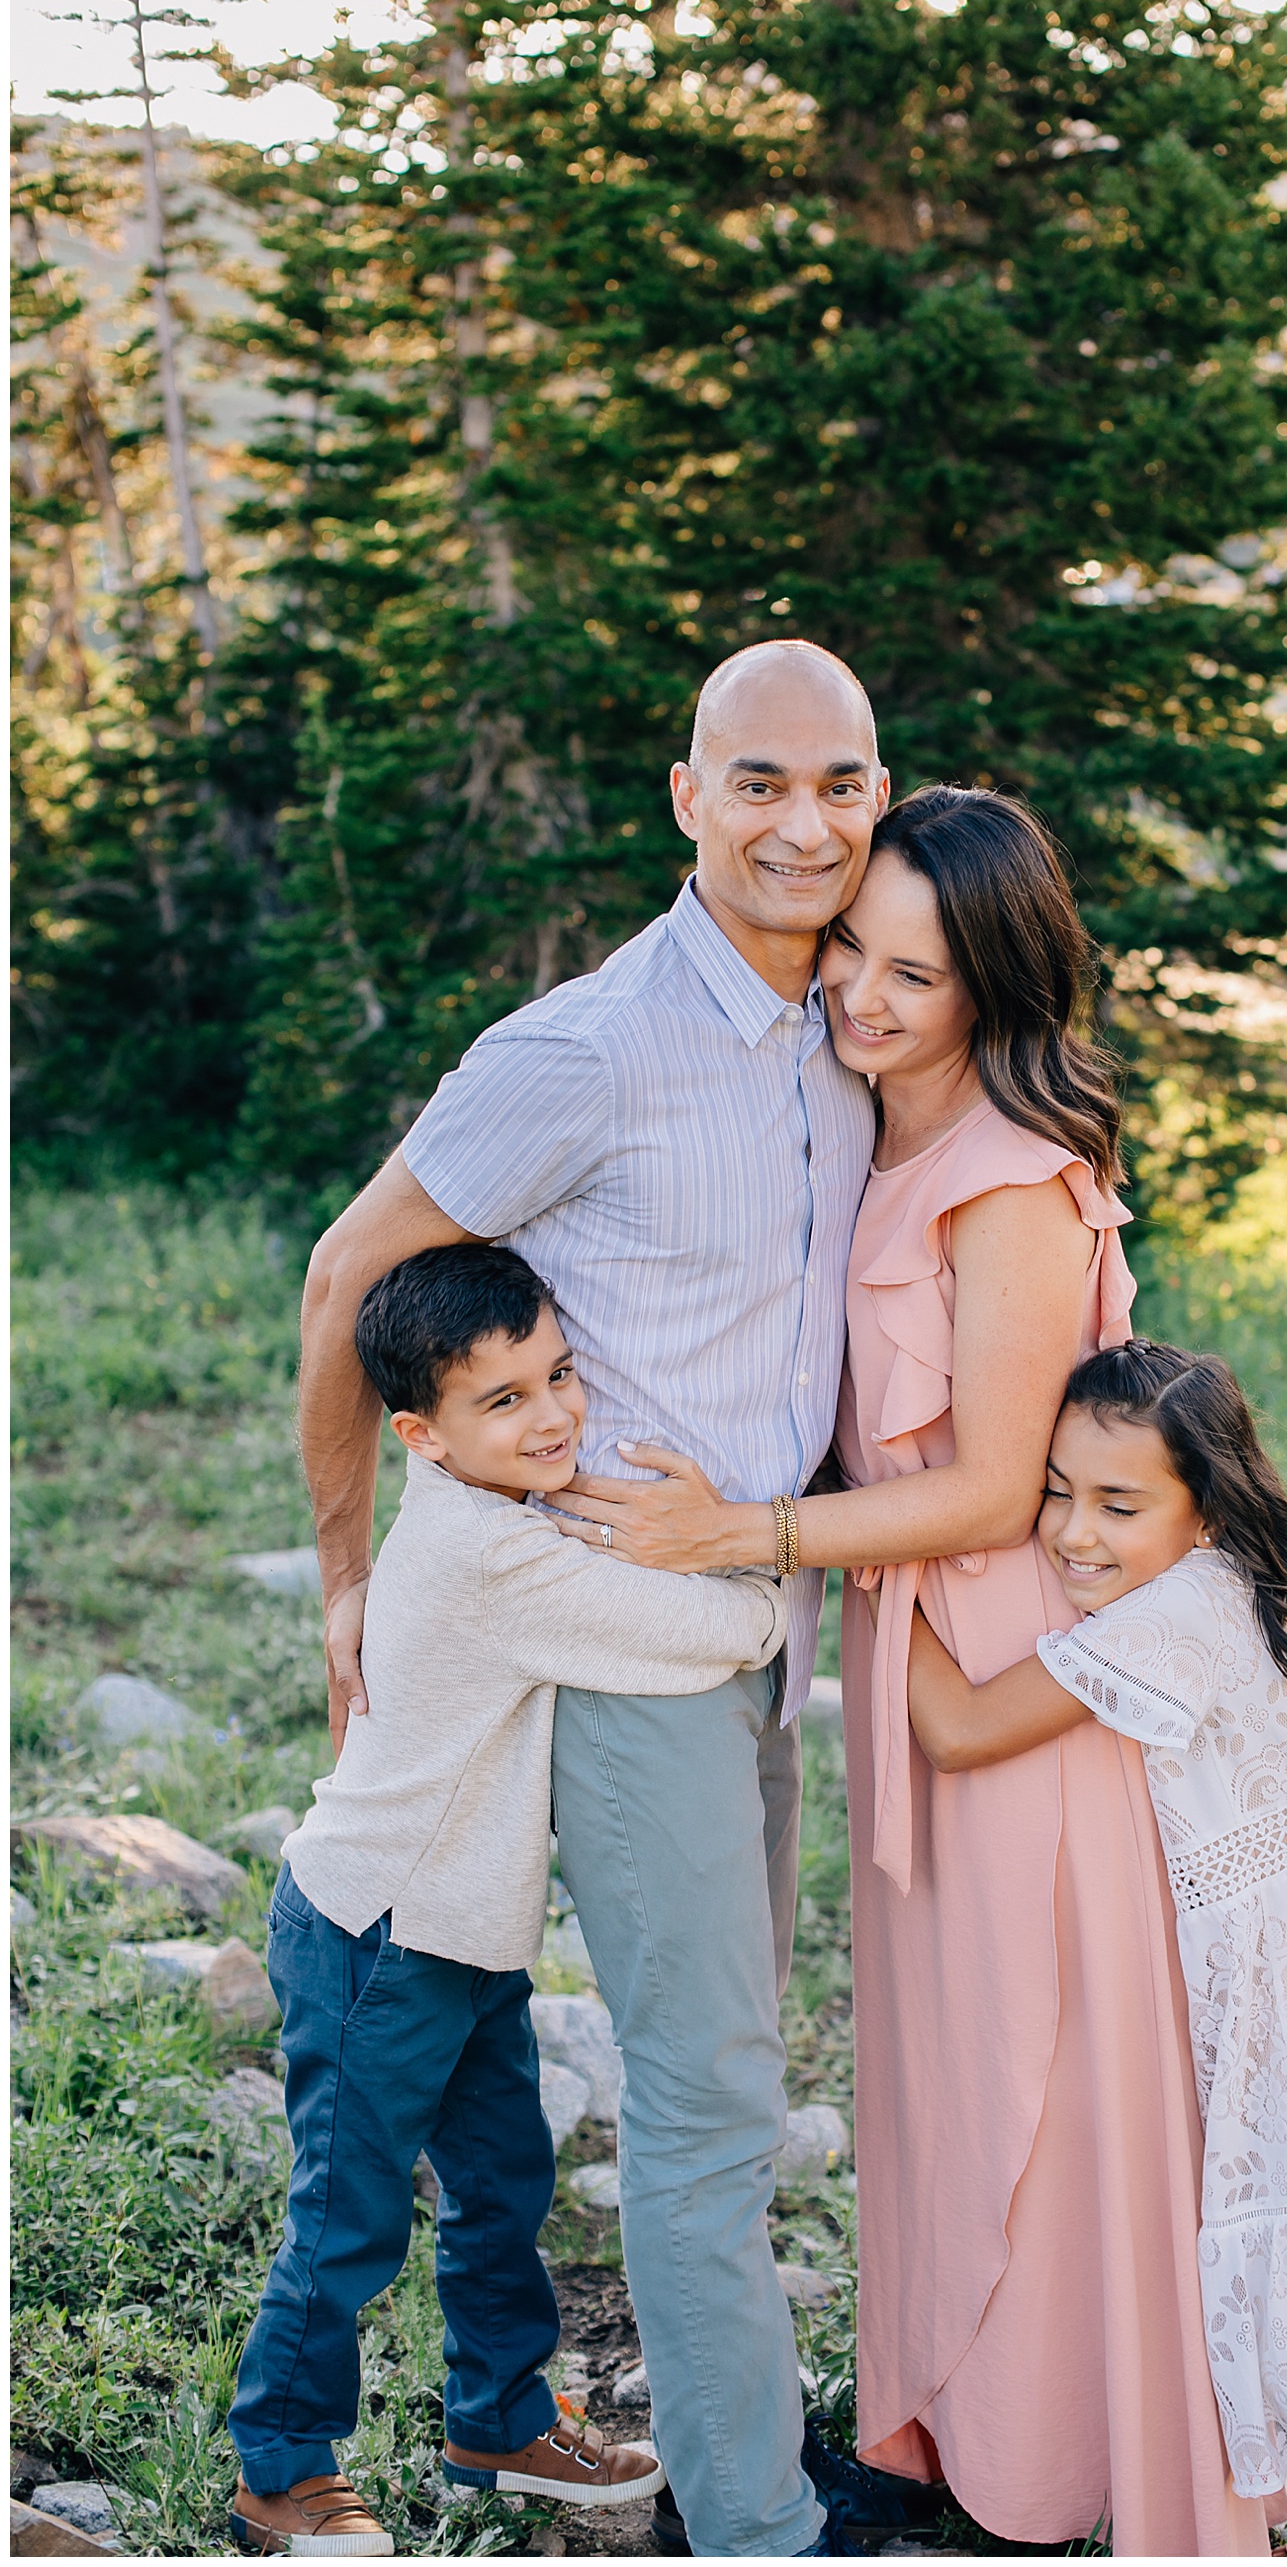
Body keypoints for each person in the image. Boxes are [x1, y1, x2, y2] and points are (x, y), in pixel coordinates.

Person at [552, 787, 1271, 2555]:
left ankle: (1063, 2466)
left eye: (917, 976)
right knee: (942, 2068)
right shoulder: (861, 1137)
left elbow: (980, 1481)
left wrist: (739, 1535)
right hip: (907, 1647)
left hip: (1021, 1659)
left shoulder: (1012, 1185)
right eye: (854, 955)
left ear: (993, 990)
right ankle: (945, 2426)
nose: (864, 998)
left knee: (1044, 2078)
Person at [294, 640, 891, 2558]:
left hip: (765, 1619)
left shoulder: (857, 1025)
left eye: (844, 783)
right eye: (762, 783)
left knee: (745, 2067)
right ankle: (752, 2520)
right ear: (686, 794)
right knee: (715, 2095)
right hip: (631, 1641)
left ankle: (742, 2444)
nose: (805, 824)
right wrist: (340, 1578)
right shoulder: (586, 1047)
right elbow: (342, 1283)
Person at [229, 1243, 785, 2558]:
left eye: (559, 1374)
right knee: (345, 2213)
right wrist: (764, 1586)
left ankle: (499, 2415)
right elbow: (696, 1631)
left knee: (502, 2179)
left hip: (459, 1940)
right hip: (374, 1936)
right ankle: (281, 2466)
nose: (552, 1417)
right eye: (505, 1400)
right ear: (420, 1432)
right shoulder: (486, 1554)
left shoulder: (498, 1507)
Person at [905, 1340, 1287, 2560]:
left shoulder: (1182, 1612)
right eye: (1054, 1487)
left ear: (1206, 1504)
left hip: (1285, 2002)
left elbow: (956, 1728)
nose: (1071, 1532)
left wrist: (882, 1571)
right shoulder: (1237, 1582)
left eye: (1120, 1502)